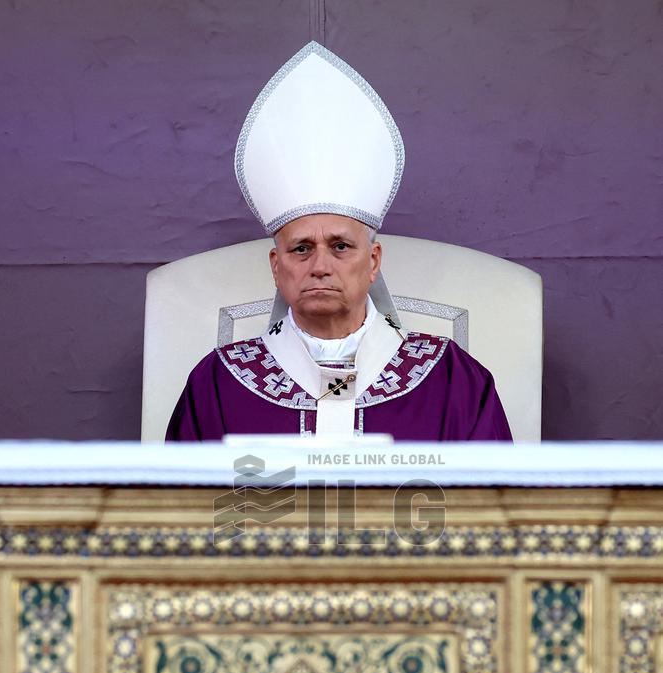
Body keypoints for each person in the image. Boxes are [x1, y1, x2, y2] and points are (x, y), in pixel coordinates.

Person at [166, 43, 512, 443]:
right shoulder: (217, 384)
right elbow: (177, 504)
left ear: (374, 261)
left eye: (341, 246)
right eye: (301, 249)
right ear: (276, 267)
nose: (320, 265)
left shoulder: (454, 380)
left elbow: (496, 501)